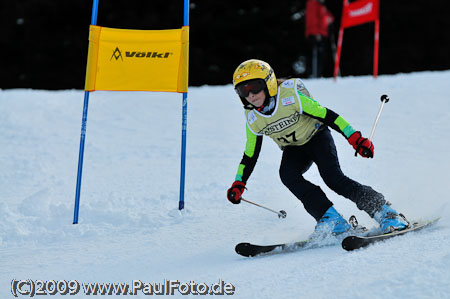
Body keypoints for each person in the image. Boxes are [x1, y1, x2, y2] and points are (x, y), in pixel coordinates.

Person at [226, 59, 409, 235]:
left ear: (269, 83)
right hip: (294, 148)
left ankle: (385, 212)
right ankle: (330, 219)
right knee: (288, 175)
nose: (251, 95)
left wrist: (355, 138)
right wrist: (239, 182)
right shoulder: (252, 117)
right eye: (243, 91)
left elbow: (327, 115)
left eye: (255, 87)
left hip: (317, 137)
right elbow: (250, 155)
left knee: (333, 178)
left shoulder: (290, 96)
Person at [305, 0, 334, 77]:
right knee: (315, 55)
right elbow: (312, 20)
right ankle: (313, 74)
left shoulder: (321, 5)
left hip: (322, 33)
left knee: (322, 55)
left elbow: (326, 15)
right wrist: (316, 33)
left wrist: (330, 18)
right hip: (315, 34)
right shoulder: (312, 3)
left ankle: (318, 74)